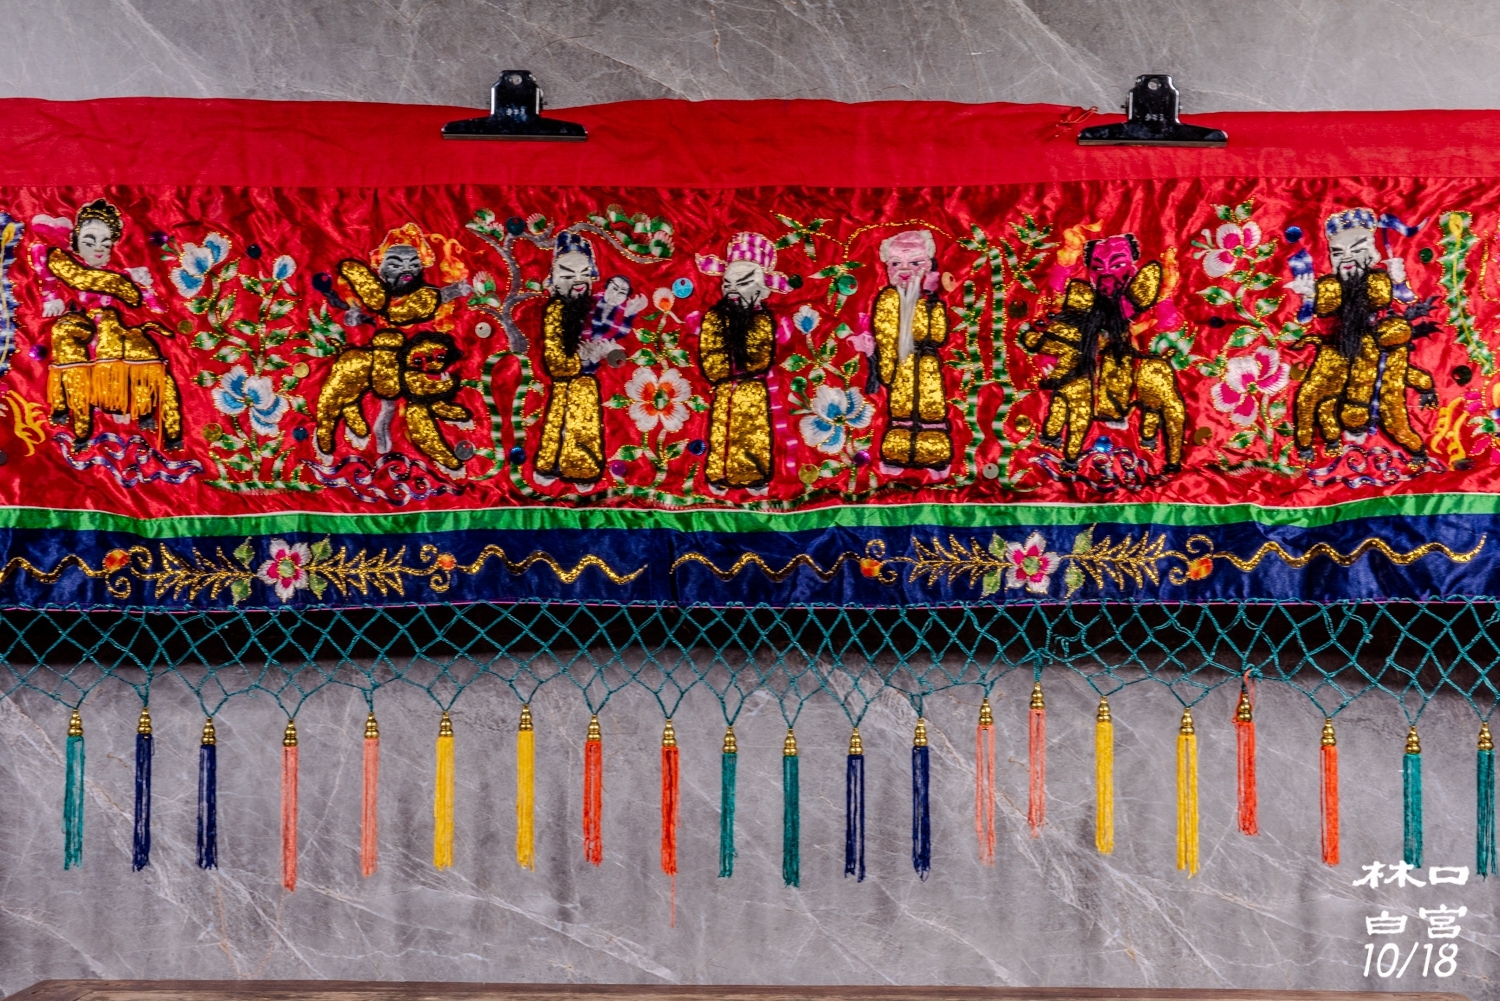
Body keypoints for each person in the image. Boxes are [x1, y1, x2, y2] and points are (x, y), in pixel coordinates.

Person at [1022, 233, 1186, 472]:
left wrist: (1165, 294)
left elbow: (1168, 322)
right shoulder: (1082, 298)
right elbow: (1056, 308)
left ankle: (1149, 440)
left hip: (1124, 357)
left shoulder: (1136, 297)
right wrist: (1065, 261)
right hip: (1083, 357)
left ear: (1131, 265)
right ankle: (1059, 441)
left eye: (1117, 265)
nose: (1107, 274)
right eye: (1098, 268)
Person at [1288, 208, 1438, 458]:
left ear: (1372, 253)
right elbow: (1312, 311)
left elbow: (1400, 297)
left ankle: (1415, 450)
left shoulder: (1378, 282)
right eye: (1338, 253)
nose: (1347, 258)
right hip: (1337, 351)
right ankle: (1308, 445)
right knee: (1308, 398)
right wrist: (1309, 297)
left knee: (1389, 397)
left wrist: (1399, 282)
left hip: (1377, 346)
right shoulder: (1331, 286)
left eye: (1356, 250)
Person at [34, 199, 181, 449]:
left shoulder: (120, 275)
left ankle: (152, 418)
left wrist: (143, 285)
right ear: (75, 243)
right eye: (89, 242)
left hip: (113, 329)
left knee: (140, 359)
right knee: (72, 351)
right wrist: (51, 297)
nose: (98, 249)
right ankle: (74, 418)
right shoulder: (68, 266)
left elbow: (152, 305)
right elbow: (47, 261)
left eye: (106, 243)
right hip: (84, 329)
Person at [695, 232, 787, 493]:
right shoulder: (715, 317)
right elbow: (710, 355)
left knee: (752, 431)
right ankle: (717, 475)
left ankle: (754, 476)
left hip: (751, 389)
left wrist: (740, 365)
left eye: (743, 283)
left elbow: (760, 358)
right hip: (724, 387)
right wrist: (725, 371)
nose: (733, 291)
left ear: (760, 289)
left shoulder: (762, 319)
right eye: (728, 284)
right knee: (720, 430)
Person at [869, 229, 951, 472]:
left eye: (915, 263)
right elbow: (885, 337)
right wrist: (887, 370)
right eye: (896, 263)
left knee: (931, 407)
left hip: (927, 363)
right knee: (901, 409)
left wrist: (931, 300)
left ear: (929, 265)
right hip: (900, 364)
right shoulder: (889, 298)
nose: (905, 270)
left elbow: (937, 335)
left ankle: (935, 454)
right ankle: (897, 453)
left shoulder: (930, 301)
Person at [534, 233, 607, 484]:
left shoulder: (589, 310)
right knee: (563, 427)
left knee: (583, 428)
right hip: (566, 385)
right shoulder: (556, 311)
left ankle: (580, 470)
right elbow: (555, 358)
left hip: (583, 385)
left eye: (584, 274)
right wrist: (580, 360)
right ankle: (557, 467)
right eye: (567, 276)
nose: (578, 282)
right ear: (553, 282)